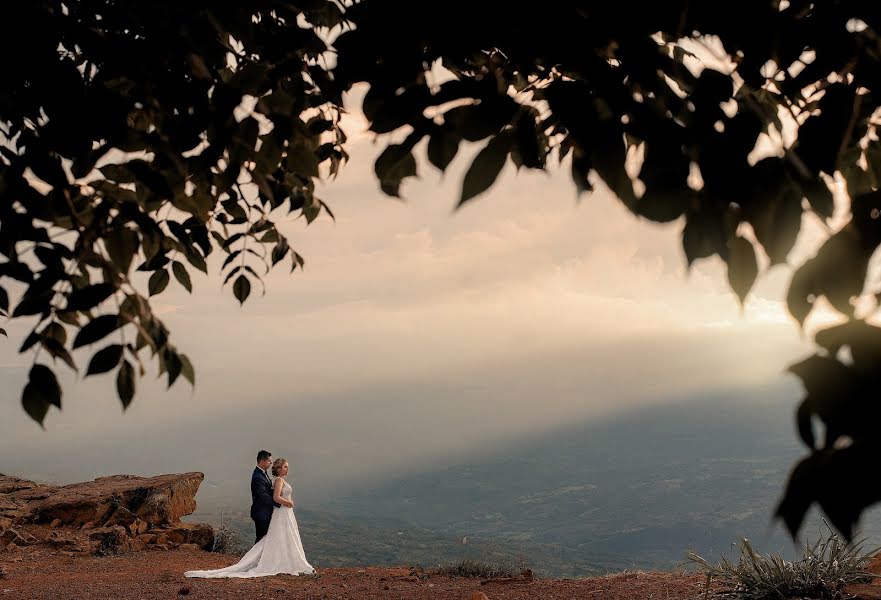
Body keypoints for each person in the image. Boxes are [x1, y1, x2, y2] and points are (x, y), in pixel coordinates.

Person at [185, 457, 314, 578]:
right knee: (280, 535)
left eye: (287, 467)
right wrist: (289, 503)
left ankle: (287, 560)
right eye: (285, 467)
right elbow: (276, 498)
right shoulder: (279, 480)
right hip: (282, 512)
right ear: (279, 469)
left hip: (285, 513)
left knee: (285, 536)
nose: (287, 469)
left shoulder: (281, 480)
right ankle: (282, 562)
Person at [251, 450, 277, 544]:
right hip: (261, 513)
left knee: (264, 539)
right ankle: (254, 558)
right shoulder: (258, 476)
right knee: (261, 539)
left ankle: (260, 558)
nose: (271, 463)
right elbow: (264, 496)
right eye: (269, 461)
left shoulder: (263, 473)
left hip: (265, 512)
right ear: (262, 461)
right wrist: (278, 503)